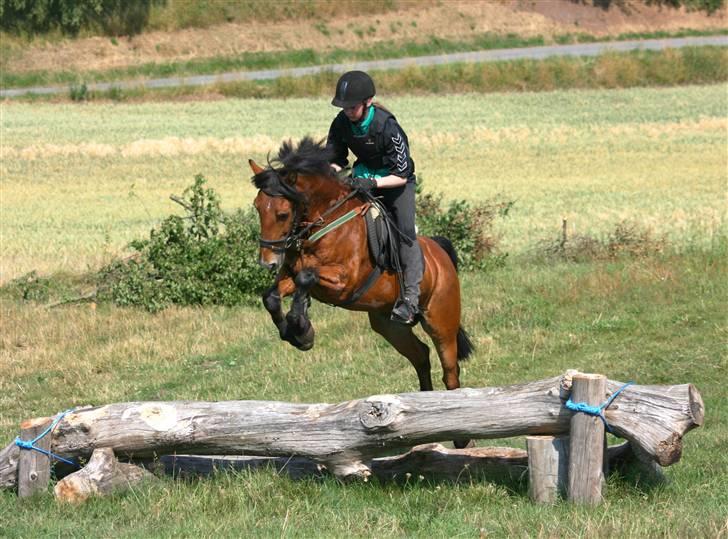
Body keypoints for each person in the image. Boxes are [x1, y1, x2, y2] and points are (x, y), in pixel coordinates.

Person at [326, 70, 423, 325]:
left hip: (395, 182)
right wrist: (327, 174)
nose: (347, 110)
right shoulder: (341, 123)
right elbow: (336, 160)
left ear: (368, 101)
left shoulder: (386, 126)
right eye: (344, 106)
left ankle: (411, 299)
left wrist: (374, 182)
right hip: (363, 176)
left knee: (404, 232)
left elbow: (401, 173)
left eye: (352, 106)